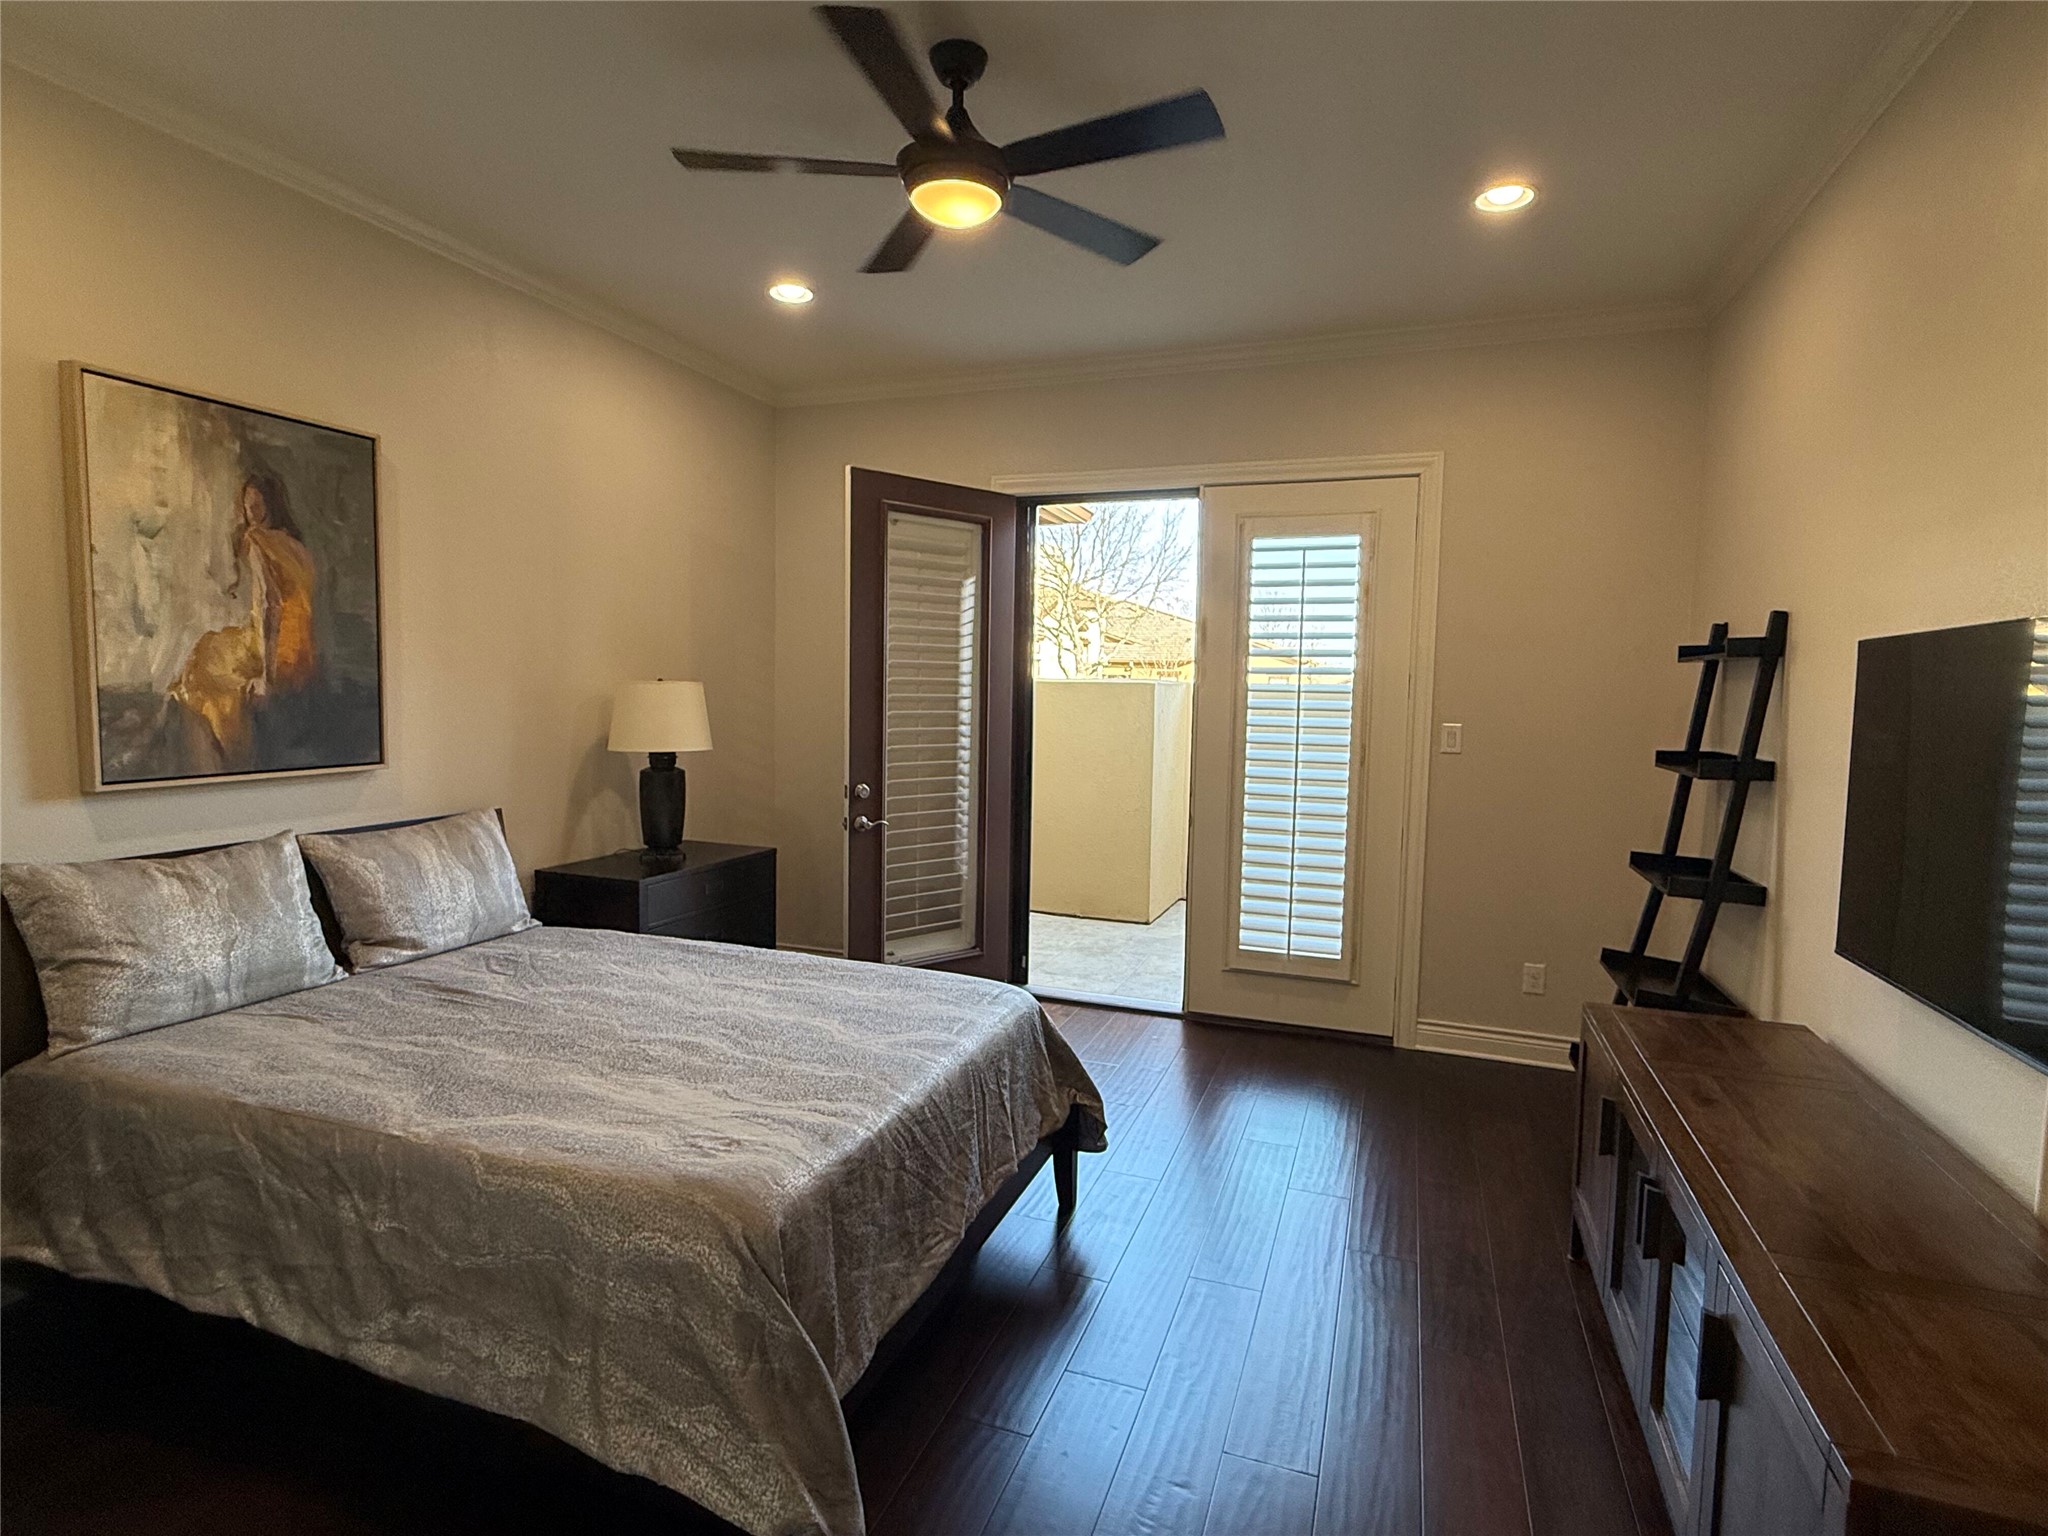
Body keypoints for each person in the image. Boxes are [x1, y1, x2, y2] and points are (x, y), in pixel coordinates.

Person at [171, 469, 318, 766]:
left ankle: (229, 760)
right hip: (303, 654)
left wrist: (266, 675)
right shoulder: (299, 549)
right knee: (215, 648)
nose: (252, 512)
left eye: (259, 504)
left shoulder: (258, 541)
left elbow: (269, 604)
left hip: (274, 651)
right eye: (248, 504)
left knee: (202, 661)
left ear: (272, 505)